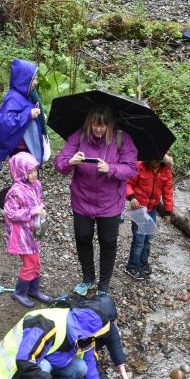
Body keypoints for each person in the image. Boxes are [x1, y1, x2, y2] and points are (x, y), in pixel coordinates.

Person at [0, 299, 125, 379]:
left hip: (47, 356)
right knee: (44, 368)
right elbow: (25, 361)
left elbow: (92, 366)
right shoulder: (45, 324)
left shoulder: (85, 333)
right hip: (17, 363)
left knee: (81, 367)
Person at [54, 105, 138, 296]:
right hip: (82, 200)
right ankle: (88, 278)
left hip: (110, 203)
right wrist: (70, 162)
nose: (99, 129)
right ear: (89, 123)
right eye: (95, 125)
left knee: (108, 241)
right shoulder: (79, 136)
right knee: (83, 238)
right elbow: (60, 163)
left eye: (103, 126)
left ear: (110, 125)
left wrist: (111, 169)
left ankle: (104, 285)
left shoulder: (121, 139)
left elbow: (132, 168)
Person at [0, 59, 48, 212]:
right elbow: (4, 121)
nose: (35, 82)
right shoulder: (14, 97)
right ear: (24, 78)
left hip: (28, 148)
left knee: (29, 179)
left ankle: (20, 206)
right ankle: (12, 206)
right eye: (33, 78)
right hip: (19, 150)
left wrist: (38, 118)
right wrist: (28, 115)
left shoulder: (28, 95)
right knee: (26, 180)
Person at [4, 152, 52, 307]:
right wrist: (32, 211)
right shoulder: (15, 191)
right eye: (29, 172)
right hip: (22, 235)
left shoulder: (36, 185)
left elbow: (38, 201)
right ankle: (19, 292)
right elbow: (10, 214)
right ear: (20, 172)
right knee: (30, 264)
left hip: (33, 232)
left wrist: (41, 208)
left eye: (35, 170)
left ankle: (34, 289)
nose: (33, 175)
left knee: (36, 262)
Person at [124, 157, 174, 279]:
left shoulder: (165, 170)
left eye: (157, 160)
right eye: (152, 159)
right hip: (139, 208)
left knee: (148, 239)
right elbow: (127, 183)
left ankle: (143, 262)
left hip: (152, 208)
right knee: (139, 240)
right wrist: (132, 197)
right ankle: (132, 266)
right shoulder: (139, 166)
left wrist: (168, 212)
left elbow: (168, 192)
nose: (154, 161)